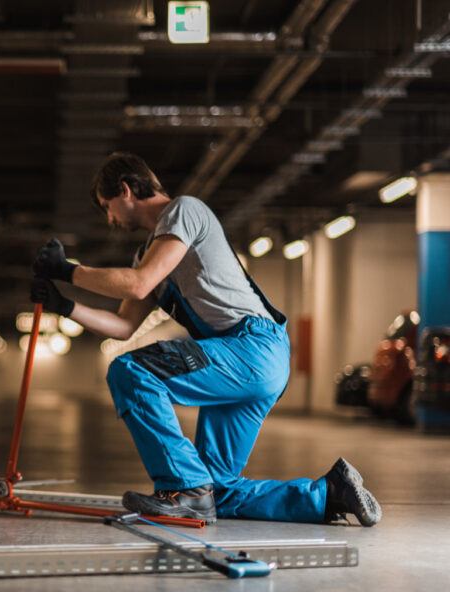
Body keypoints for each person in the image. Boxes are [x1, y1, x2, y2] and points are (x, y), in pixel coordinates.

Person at [30, 152, 382, 527]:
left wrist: (67, 270)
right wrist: (65, 306)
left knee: (130, 372)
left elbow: (139, 284)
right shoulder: (149, 252)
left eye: (107, 206)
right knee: (219, 489)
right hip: (245, 359)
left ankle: (182, 487)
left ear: (125, 189)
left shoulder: (184, 211)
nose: (110, 218)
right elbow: (123, 327)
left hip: (251, 348)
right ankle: (331, 494)